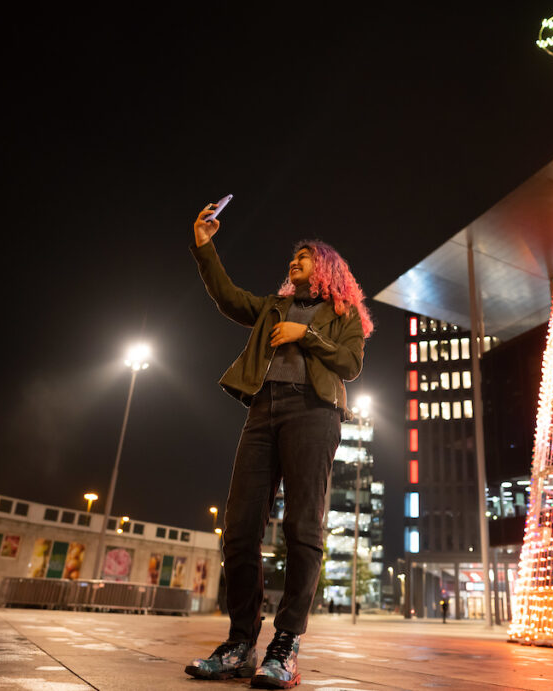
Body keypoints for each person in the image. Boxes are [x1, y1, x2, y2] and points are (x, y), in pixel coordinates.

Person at [184, 202, 373, 689]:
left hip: (314, 412)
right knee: (240, 529)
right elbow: (228, 298)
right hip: (263, 411)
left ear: (326, 267)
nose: (295, 262)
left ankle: (285, 644)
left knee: (302, 528)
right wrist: (205, 247)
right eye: (294, 258)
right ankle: (240, 643)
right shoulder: (273, 306)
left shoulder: (343, 313)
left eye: (305, 257)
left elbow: (350, 364)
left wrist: (306, 335)